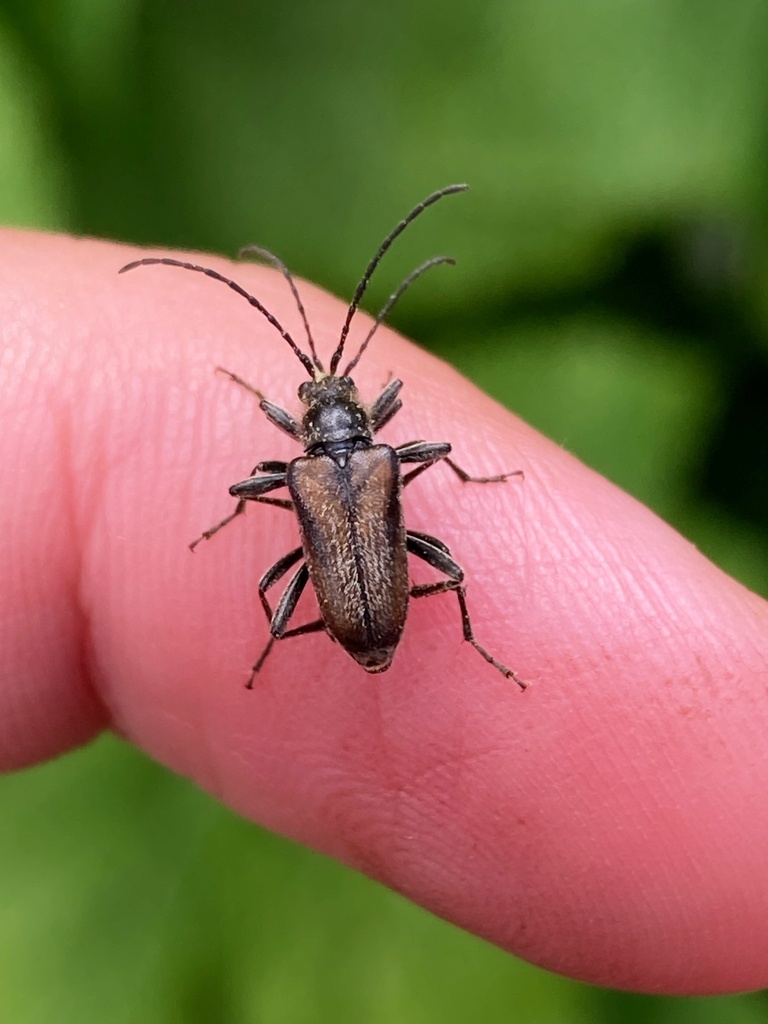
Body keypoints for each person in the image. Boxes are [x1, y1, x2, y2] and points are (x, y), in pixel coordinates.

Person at [1, 228, 766, 995]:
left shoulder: (300, 473)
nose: (326, 398)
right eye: (322, 395)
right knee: (448, 572)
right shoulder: (380, 458)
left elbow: (246, 491)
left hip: (350, 605)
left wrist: (236, 519)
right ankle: (458, 638)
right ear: (358, 415)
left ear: (307, 423)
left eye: (319, 397)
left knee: (282, 589)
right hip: (375, 604)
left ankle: (295, 645)